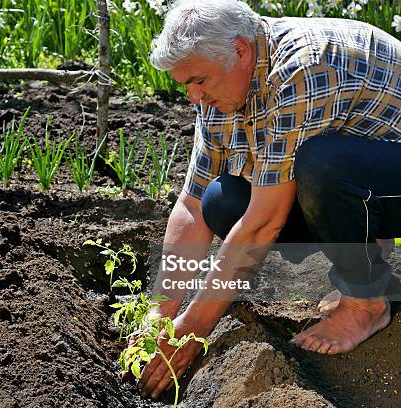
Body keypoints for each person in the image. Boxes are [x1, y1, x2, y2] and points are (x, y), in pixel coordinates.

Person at [137, 0, 401, 401]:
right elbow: (191, 205)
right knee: (221, 200)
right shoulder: (222, 85)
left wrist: (193, 329)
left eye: (199, 80)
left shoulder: (301, 69)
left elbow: (265, 223)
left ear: (240, 51)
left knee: (322, 167)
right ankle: (369, 263)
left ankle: (366, 305)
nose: (193, 96)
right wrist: (165, 307)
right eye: (185, 84)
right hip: (375, 171)